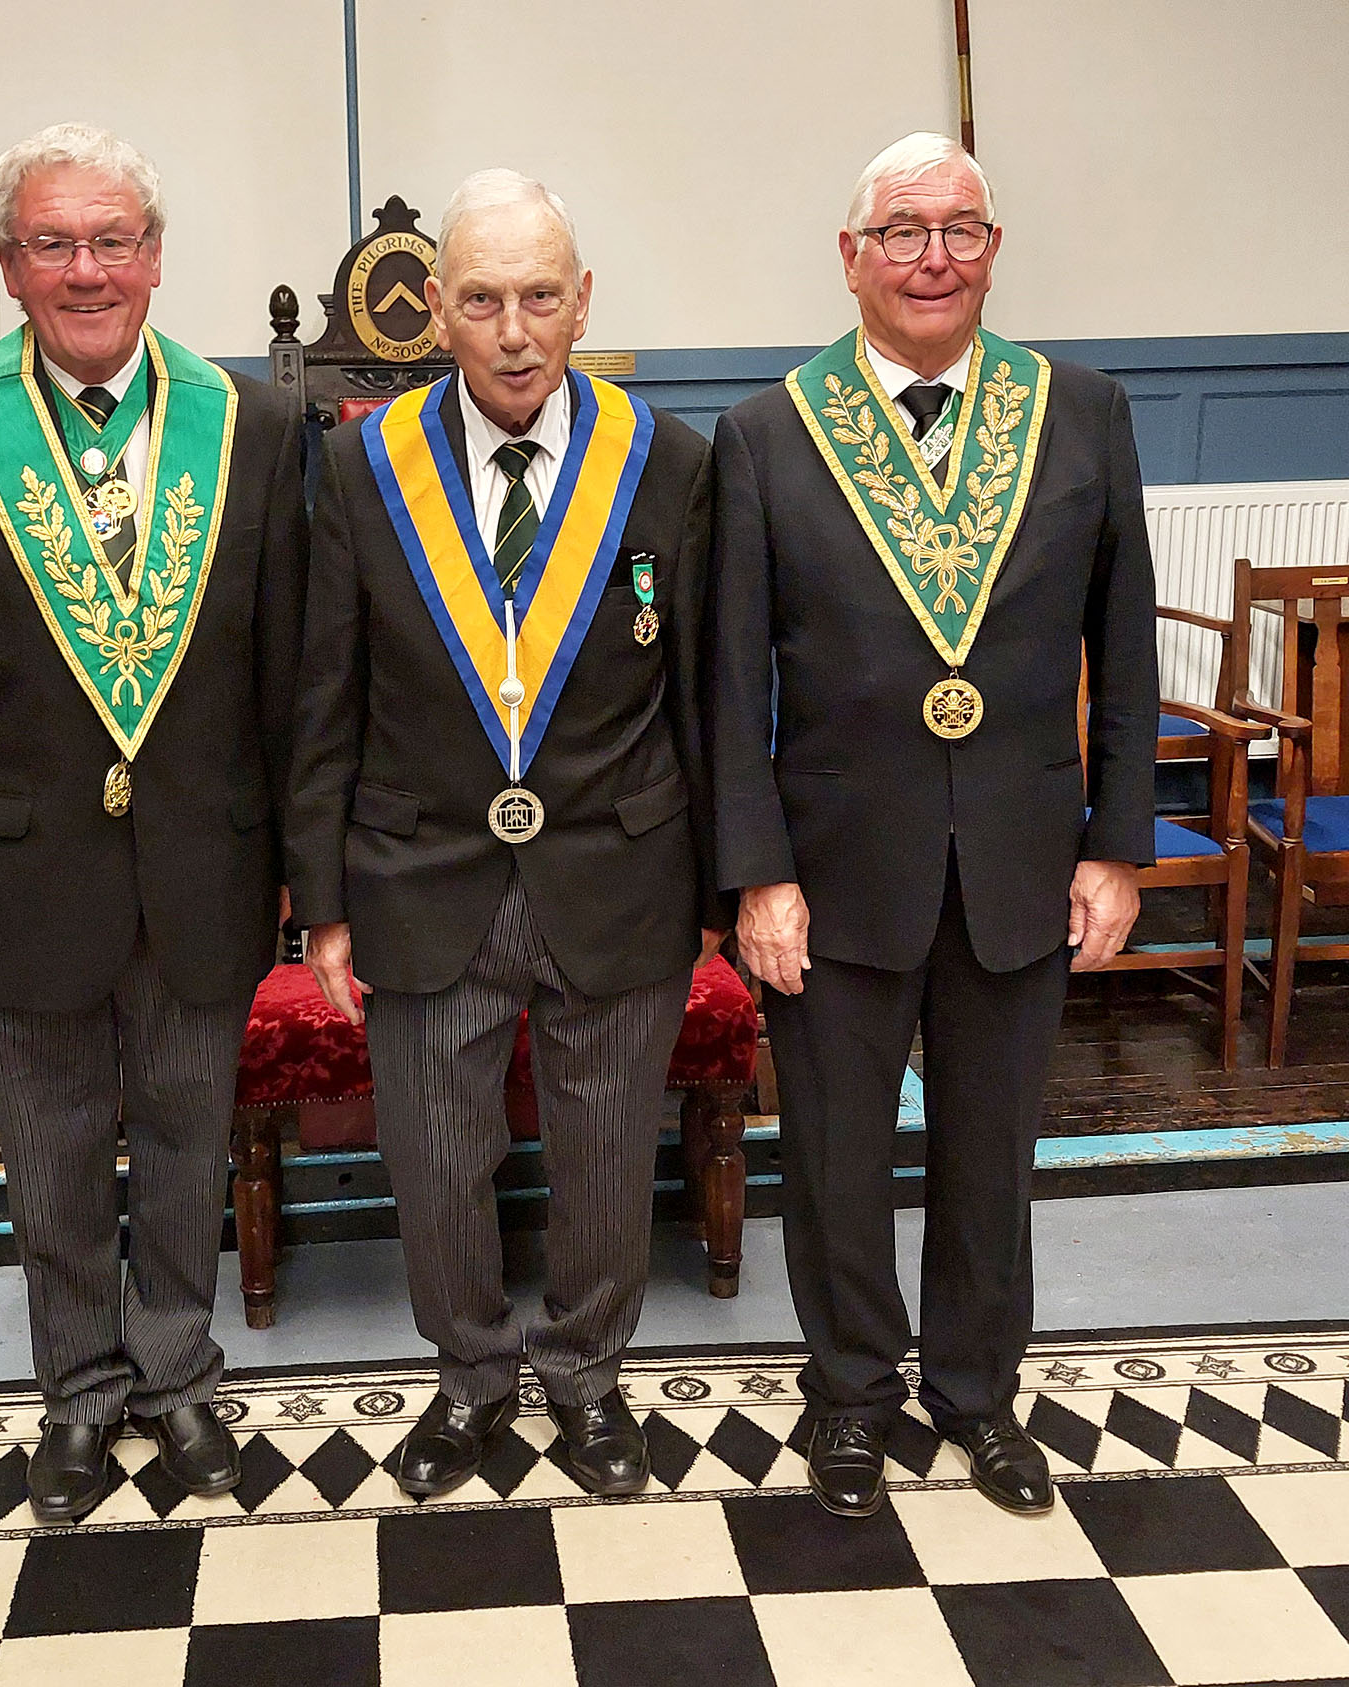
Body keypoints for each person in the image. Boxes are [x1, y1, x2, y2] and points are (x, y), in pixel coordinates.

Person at [0, 122, 307, 1522]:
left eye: (112, 240)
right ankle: (78, 1394)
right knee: (49, 1150)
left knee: (184, 1142)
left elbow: (288, 669)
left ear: (157, 258)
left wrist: (297, 863)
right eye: (53, 244)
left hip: (204, 865)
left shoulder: (256, 423)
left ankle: (174, 1381)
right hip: (13, 869)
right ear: (11, 264)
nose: (86, 270)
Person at [707, 133, 1157, 1518]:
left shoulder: (1081, 410)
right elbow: (728, 678)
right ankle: (852, 1397)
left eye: (962, 228)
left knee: (990, 1157)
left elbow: (1123, 642)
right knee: (837, 1160)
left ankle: (981, 1396)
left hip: (1024, 859)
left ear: (995, 248)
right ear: (851, 258)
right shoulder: (769, 431)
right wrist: (755, 875)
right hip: (833, 875)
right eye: (902, 230)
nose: (935, 256)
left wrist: (1118, 843)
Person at [289, 169, 723, 1498]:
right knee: (435, 1156)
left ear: (582, 301)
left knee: (603, 1154)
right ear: (439, 316)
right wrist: (322, 899)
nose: (517, 331)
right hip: (421, 872)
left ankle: (588, 1379)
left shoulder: (671, 462)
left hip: (620, 868)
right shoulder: (366, 465)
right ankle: (470, 1379)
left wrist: (724, 886)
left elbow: (706, 689)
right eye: (483, 301)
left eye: (543, 296)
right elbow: (326, 691)